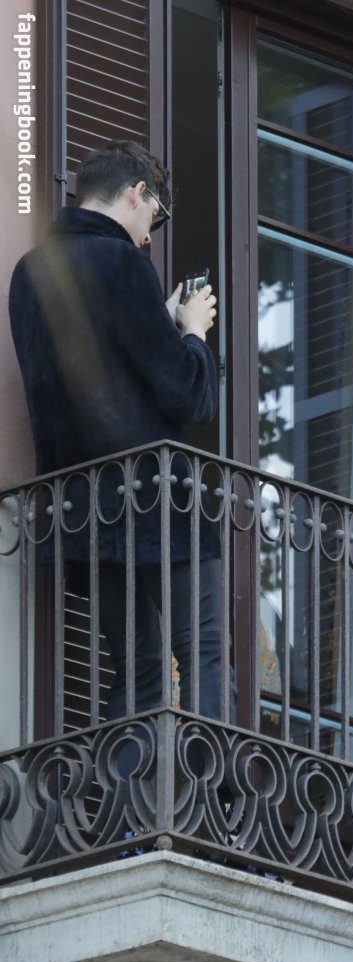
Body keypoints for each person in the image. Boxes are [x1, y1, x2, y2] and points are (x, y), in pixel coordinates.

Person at [8, 139, 228, 723]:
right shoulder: (125, 263)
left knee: (137, 668)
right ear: (137, 193)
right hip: (152, 498)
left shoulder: (28, 274)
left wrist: (159, 318)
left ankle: (126, 782)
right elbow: (188, 395)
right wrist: (192, 332)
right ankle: (213, 779)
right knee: (203, 648)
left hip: (81, 507)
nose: (150, 234)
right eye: (157, 214)